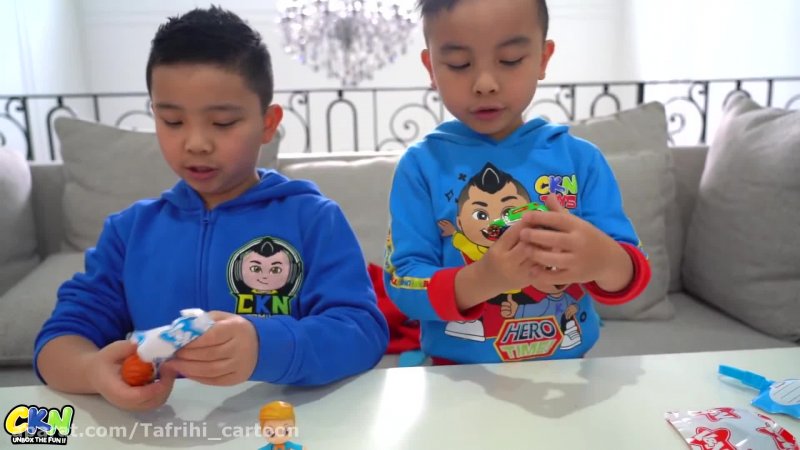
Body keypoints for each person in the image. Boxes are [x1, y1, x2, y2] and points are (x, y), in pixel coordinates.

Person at [34, 6, 388, 411]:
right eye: (173, 121)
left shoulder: (313, 219)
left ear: (268, 123)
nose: (196, 143)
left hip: (286, 424)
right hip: (164, 426)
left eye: (222, 123)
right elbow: (59, 339)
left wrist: (263, 347)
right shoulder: (130, 232)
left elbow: (362, 332)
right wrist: (92, 370)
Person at [384, 0, 650, 365]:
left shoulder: (580, 160)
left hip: (570, 373)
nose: (485, 84)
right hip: (457, 378)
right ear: (431, 68)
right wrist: (484, 278)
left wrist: (602, 259)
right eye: (459, 64)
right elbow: (403, 283)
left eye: (509, 60)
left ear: (542, 58)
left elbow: (631, 272)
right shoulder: (421, 167)